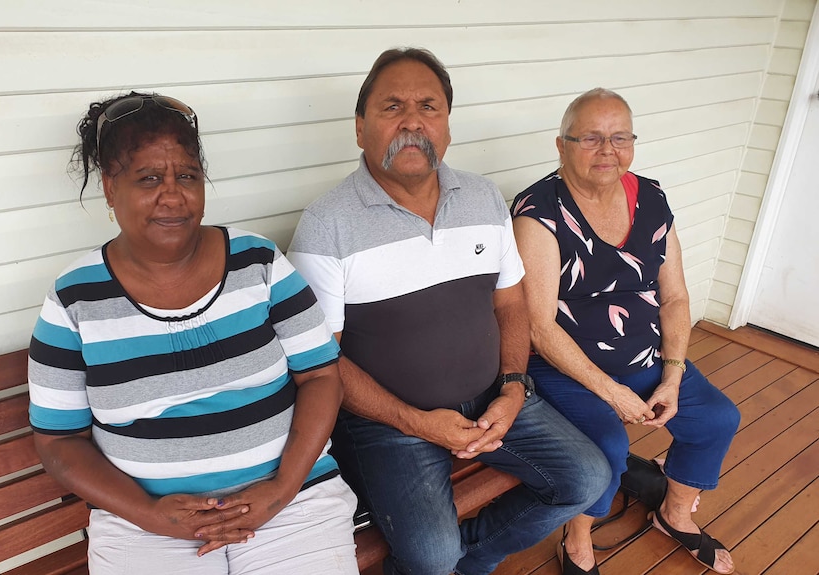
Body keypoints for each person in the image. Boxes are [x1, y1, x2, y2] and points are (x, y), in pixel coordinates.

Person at [286, 48, 610, 575]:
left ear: (448, 127)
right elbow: (323, 361)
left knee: (588, 477)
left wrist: (511, 386)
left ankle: (468, 561)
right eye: (392, 106)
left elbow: (510, 303)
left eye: (429, 107)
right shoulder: (327, 226)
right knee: (430, 555)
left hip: (494, 398)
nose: (412, 121)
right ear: (360, 127)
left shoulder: (483, 199)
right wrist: (416, 421)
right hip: (388, 423)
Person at [27, 92, 359, 575]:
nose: (173, 195)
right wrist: (150, 515)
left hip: (292, 503)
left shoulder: (259, 263)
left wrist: (280, 489)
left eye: (186, 175)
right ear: (108, 187)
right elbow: (59, 442)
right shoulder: (74, 301)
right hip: (142, 524)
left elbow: (321, 377)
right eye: (148, 179)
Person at [511, 88, 741, 575]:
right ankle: (577, 538)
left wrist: (673, 376)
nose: (607, 150)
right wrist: (612, 393)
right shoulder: (539, 212)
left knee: (716, 419)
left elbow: (675, 297)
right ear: (561, 145)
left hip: (644, 358)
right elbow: (537, 325)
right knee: (608, 448)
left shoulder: (652, 197)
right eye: (590, 138)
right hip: (563, 368)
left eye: (619, 137)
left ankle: (674, 515)